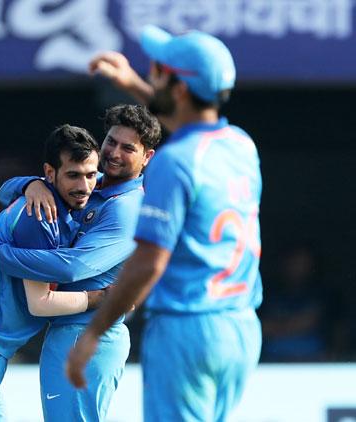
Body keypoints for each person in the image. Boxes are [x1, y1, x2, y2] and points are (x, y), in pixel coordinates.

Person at [67, 25, 263, 422]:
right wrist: (135, 85)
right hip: (240, 327)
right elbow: (188, 122)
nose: (152, 74)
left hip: (187, 329)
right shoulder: (241, 144)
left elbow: (149, 262)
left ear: (178, 89)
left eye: (159, 70)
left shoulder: (175, 161)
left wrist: (93, 332)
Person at [0, 104, 160, 421]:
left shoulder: (127, 209)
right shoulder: (93, 181)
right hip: (67, 331)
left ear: (147, 157)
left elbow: (70, 268)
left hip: (90, 334)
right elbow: (7, 191)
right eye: (111, 141)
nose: (114, 153)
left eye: (128, 148)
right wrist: (32, 185)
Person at [0, 123, 106, 421]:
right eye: (73, 175)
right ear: (49, 172)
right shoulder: (41, 218)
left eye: (90, 175)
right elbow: (40, 302)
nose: (84, 186)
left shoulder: (45, 200)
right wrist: (101, 298)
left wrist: (25, 183)